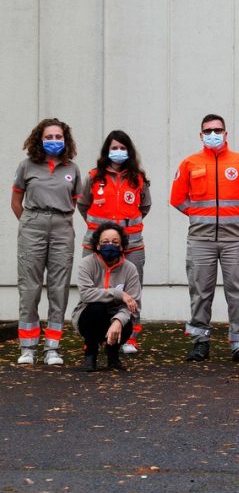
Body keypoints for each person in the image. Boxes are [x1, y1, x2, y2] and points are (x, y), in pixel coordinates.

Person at [170, 114, 239, 363]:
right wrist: (199, 215)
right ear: (201, 135)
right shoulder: (189, 163)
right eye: (208, 131)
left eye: (218, 130)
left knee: (237, 290)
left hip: (234, 238)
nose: (213, 134)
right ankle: (200, 341)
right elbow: (177, 199)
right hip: (200, 238)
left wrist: (237, 215)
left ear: (226, 133)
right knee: (200, 291)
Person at [12, 118, 82, 366]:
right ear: (39, 139)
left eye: (59, 137)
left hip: (62, 227)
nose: (54, 141)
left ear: (66, 140)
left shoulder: (72, 169)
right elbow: (16, 202)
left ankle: (53, 348)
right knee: (29, 288)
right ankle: (28, 347)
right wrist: (31, 224)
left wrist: (57, 220)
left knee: (58, 287)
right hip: (33, 224)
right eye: (49, 137)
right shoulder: (27, 166)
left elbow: (75, 201)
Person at [78, 130, 151, 355]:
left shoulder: (137, 177)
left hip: (132, 245)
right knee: (95, 289)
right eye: (114, 148)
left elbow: (145, 206)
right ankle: (92, 336)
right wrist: (102, 233)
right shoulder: (93, 176)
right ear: (106, 151)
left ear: (128, 151)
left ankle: (131, 337)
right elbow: (83, 205)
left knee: (132, 290)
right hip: (96, 245)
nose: (118, 152)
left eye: (122, 148)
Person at [71, 221, 142, 372]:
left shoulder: (130, 269)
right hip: (89, 316)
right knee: (96, 308)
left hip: (116, 315)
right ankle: (90, 353)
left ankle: (113, 356)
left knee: (125, 319)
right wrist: (118, 293)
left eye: (115, 242)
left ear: (122, 246)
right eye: (105, 242)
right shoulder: (87, 264)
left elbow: (133, 304)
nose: (110, 245)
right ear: (97, 245)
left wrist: (118, 321)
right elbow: (86, 294)